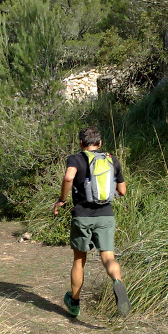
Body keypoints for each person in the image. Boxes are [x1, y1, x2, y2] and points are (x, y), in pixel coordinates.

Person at [53, 126, 131, 317]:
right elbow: (122, 191)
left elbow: (69, 176)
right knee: (108, 258)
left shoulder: (76, 158)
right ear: (100, 143)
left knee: (79, 261)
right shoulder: (111, 160)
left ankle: (75, 303)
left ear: (80, 143)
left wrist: (62, 199)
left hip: (82, 216)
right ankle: (117, 281)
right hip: (105, 215)